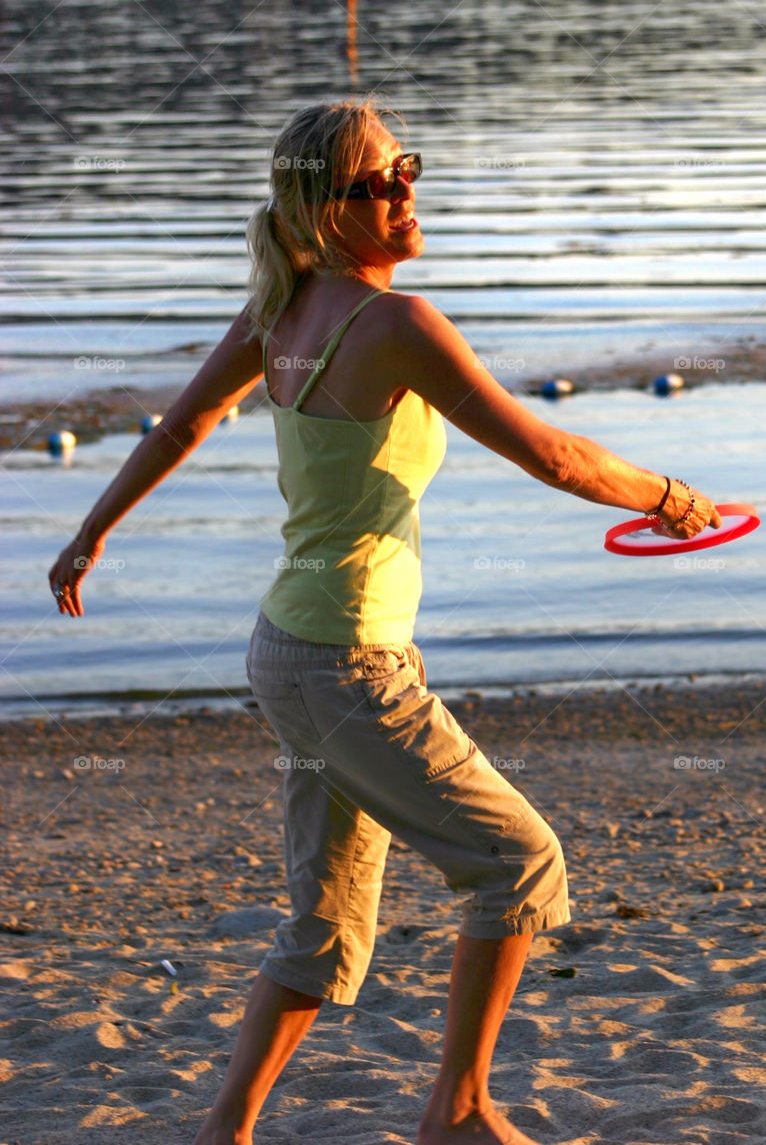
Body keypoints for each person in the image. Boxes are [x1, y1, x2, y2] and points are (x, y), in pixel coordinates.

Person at [48, 97, 721, 1145]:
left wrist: (92, 529)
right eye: (373, 184)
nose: (404, 192)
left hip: (288, 651)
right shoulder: (393, 323)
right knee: (521, 865)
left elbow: (184, 419)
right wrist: (668, 496)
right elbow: (548, 453)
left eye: (404, 167)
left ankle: (221, 1129)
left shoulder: (283, 307)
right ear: (324, 209)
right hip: (347, 661)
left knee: (322, 927)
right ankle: (455, 1109)